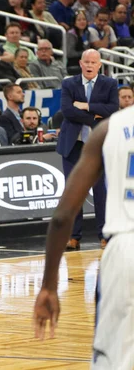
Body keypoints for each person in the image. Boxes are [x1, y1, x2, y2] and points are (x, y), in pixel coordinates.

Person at [33, 105, 134, 370]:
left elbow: (63, 216)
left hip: (124, 248)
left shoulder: (108, 129)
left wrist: (49, 286)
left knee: (113, 362)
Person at [57, 49, 118, 250]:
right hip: (73, 145)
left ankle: (104, 235)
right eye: (86, 61)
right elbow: (67, 111)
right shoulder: (69, 83)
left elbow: (112, 110)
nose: (90, 65)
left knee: (100, 192)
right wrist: (94, 117)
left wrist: (85, 106)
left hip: (98, 146)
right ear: (81, 64)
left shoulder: (109, 83)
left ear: (100, 65)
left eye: (94, 62)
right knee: (74, 192)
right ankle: (73, 237)